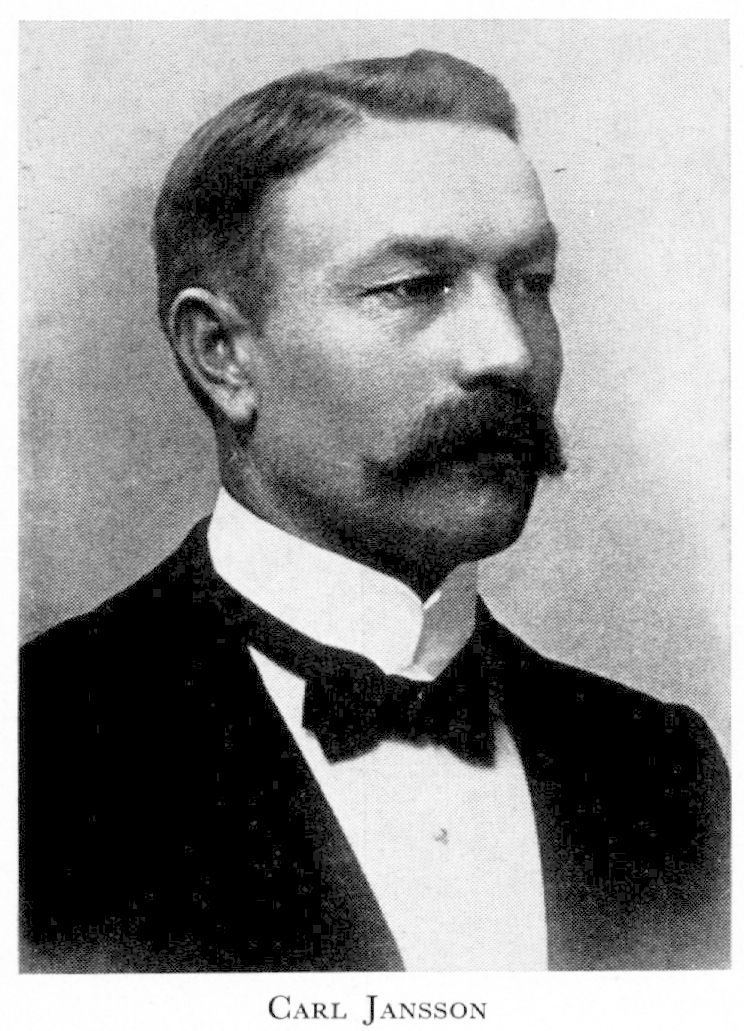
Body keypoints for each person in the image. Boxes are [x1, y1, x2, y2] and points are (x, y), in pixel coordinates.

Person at [20, 50, 729, 973]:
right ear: (222, 354)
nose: (509, 354)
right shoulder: (36, 749)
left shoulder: (662, 768)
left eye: (530, 282)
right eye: (414, 288)